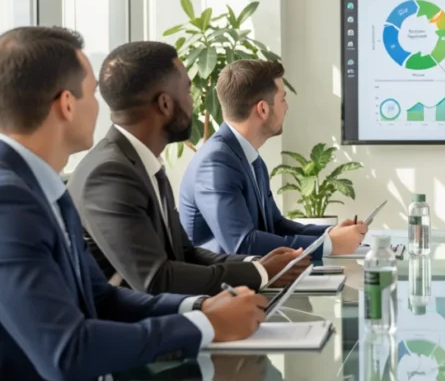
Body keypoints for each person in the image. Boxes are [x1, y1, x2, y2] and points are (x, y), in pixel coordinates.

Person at [0, 27, 267, 381]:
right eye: (92, 94)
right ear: (66, 105)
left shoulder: (43, 187)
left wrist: (199, 309)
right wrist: (205, 326)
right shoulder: (9, 201)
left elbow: (102, 299)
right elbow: (66, 351)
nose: (103, 107)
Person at [67, 42, 310, 296]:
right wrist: (261, 273)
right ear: (165, 104)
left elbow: (186, 253)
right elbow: (156, 279)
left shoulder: (141, 164)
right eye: (188, 91)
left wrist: (257, 266)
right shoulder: (109, 175)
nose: (194, 103)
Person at [180, 60, 367, 261]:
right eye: (283, 99)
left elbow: (275, 224)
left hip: (256, 278)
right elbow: (242, 244)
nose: (286, 107)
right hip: (224, 288)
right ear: (262, 109)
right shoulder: (216, 162)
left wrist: (329, 233)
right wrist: (329, 245)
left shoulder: (249, 157)